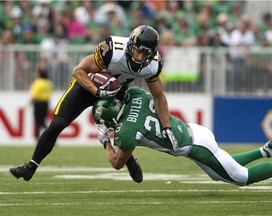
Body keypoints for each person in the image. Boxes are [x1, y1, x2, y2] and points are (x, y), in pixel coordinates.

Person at [10, 25, 178, 183]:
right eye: (138, 51)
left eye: (145, 54)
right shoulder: (113, 49)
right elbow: (78, 70)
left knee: (124, 132)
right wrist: (96, 92)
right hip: (87, 85)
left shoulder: (153, 64)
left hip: (116, 91)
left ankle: (128, 159)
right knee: (57, 124)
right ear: (130, 45)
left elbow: (158, 97)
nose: (140, 57)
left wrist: (167, 127)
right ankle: (31, 166)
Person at [92, 86, 272, 186]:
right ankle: (265, 150)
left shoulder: (126, 132)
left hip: (195, 146)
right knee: (219, 171)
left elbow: (118, 163)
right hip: (193, 130)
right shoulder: (134, 94)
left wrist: (105, 143)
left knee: (242, 178)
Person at [29, 69, 53, 138]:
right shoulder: (48, 83)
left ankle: (40, 137)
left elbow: (34, 95)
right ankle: (41, 136)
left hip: (38, 104)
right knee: (42, 121)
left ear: (40, 75)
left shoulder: (38, 83)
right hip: (46, 104)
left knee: (39, 122)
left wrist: (29, 103)